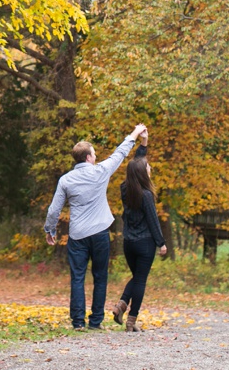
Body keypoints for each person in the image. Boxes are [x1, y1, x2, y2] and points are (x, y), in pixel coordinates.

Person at [44, 123, 148, 331]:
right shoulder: (100, 171)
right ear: (89, 157)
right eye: (94, 154)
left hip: (78, 235)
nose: (95, 156)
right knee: (100, 276)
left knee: (78, 277)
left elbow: (54, 209)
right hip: (100, 233)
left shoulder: (65, 180)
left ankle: (77, 322)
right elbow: (120, 153)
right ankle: (96, 321)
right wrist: (136, 133)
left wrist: (50, 230)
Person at [111, 130, 167, 332]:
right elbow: (153, 221)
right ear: (143, 173)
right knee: (140, 280)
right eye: (148, 167)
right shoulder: (145, 195)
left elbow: (135, 165)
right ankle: (131, 321)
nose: (149, 167)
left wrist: (144, 142)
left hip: (129, 243)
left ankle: (121, 306)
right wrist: (161, 242)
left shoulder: (125, 188)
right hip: (145, 244)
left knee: (136, 278)